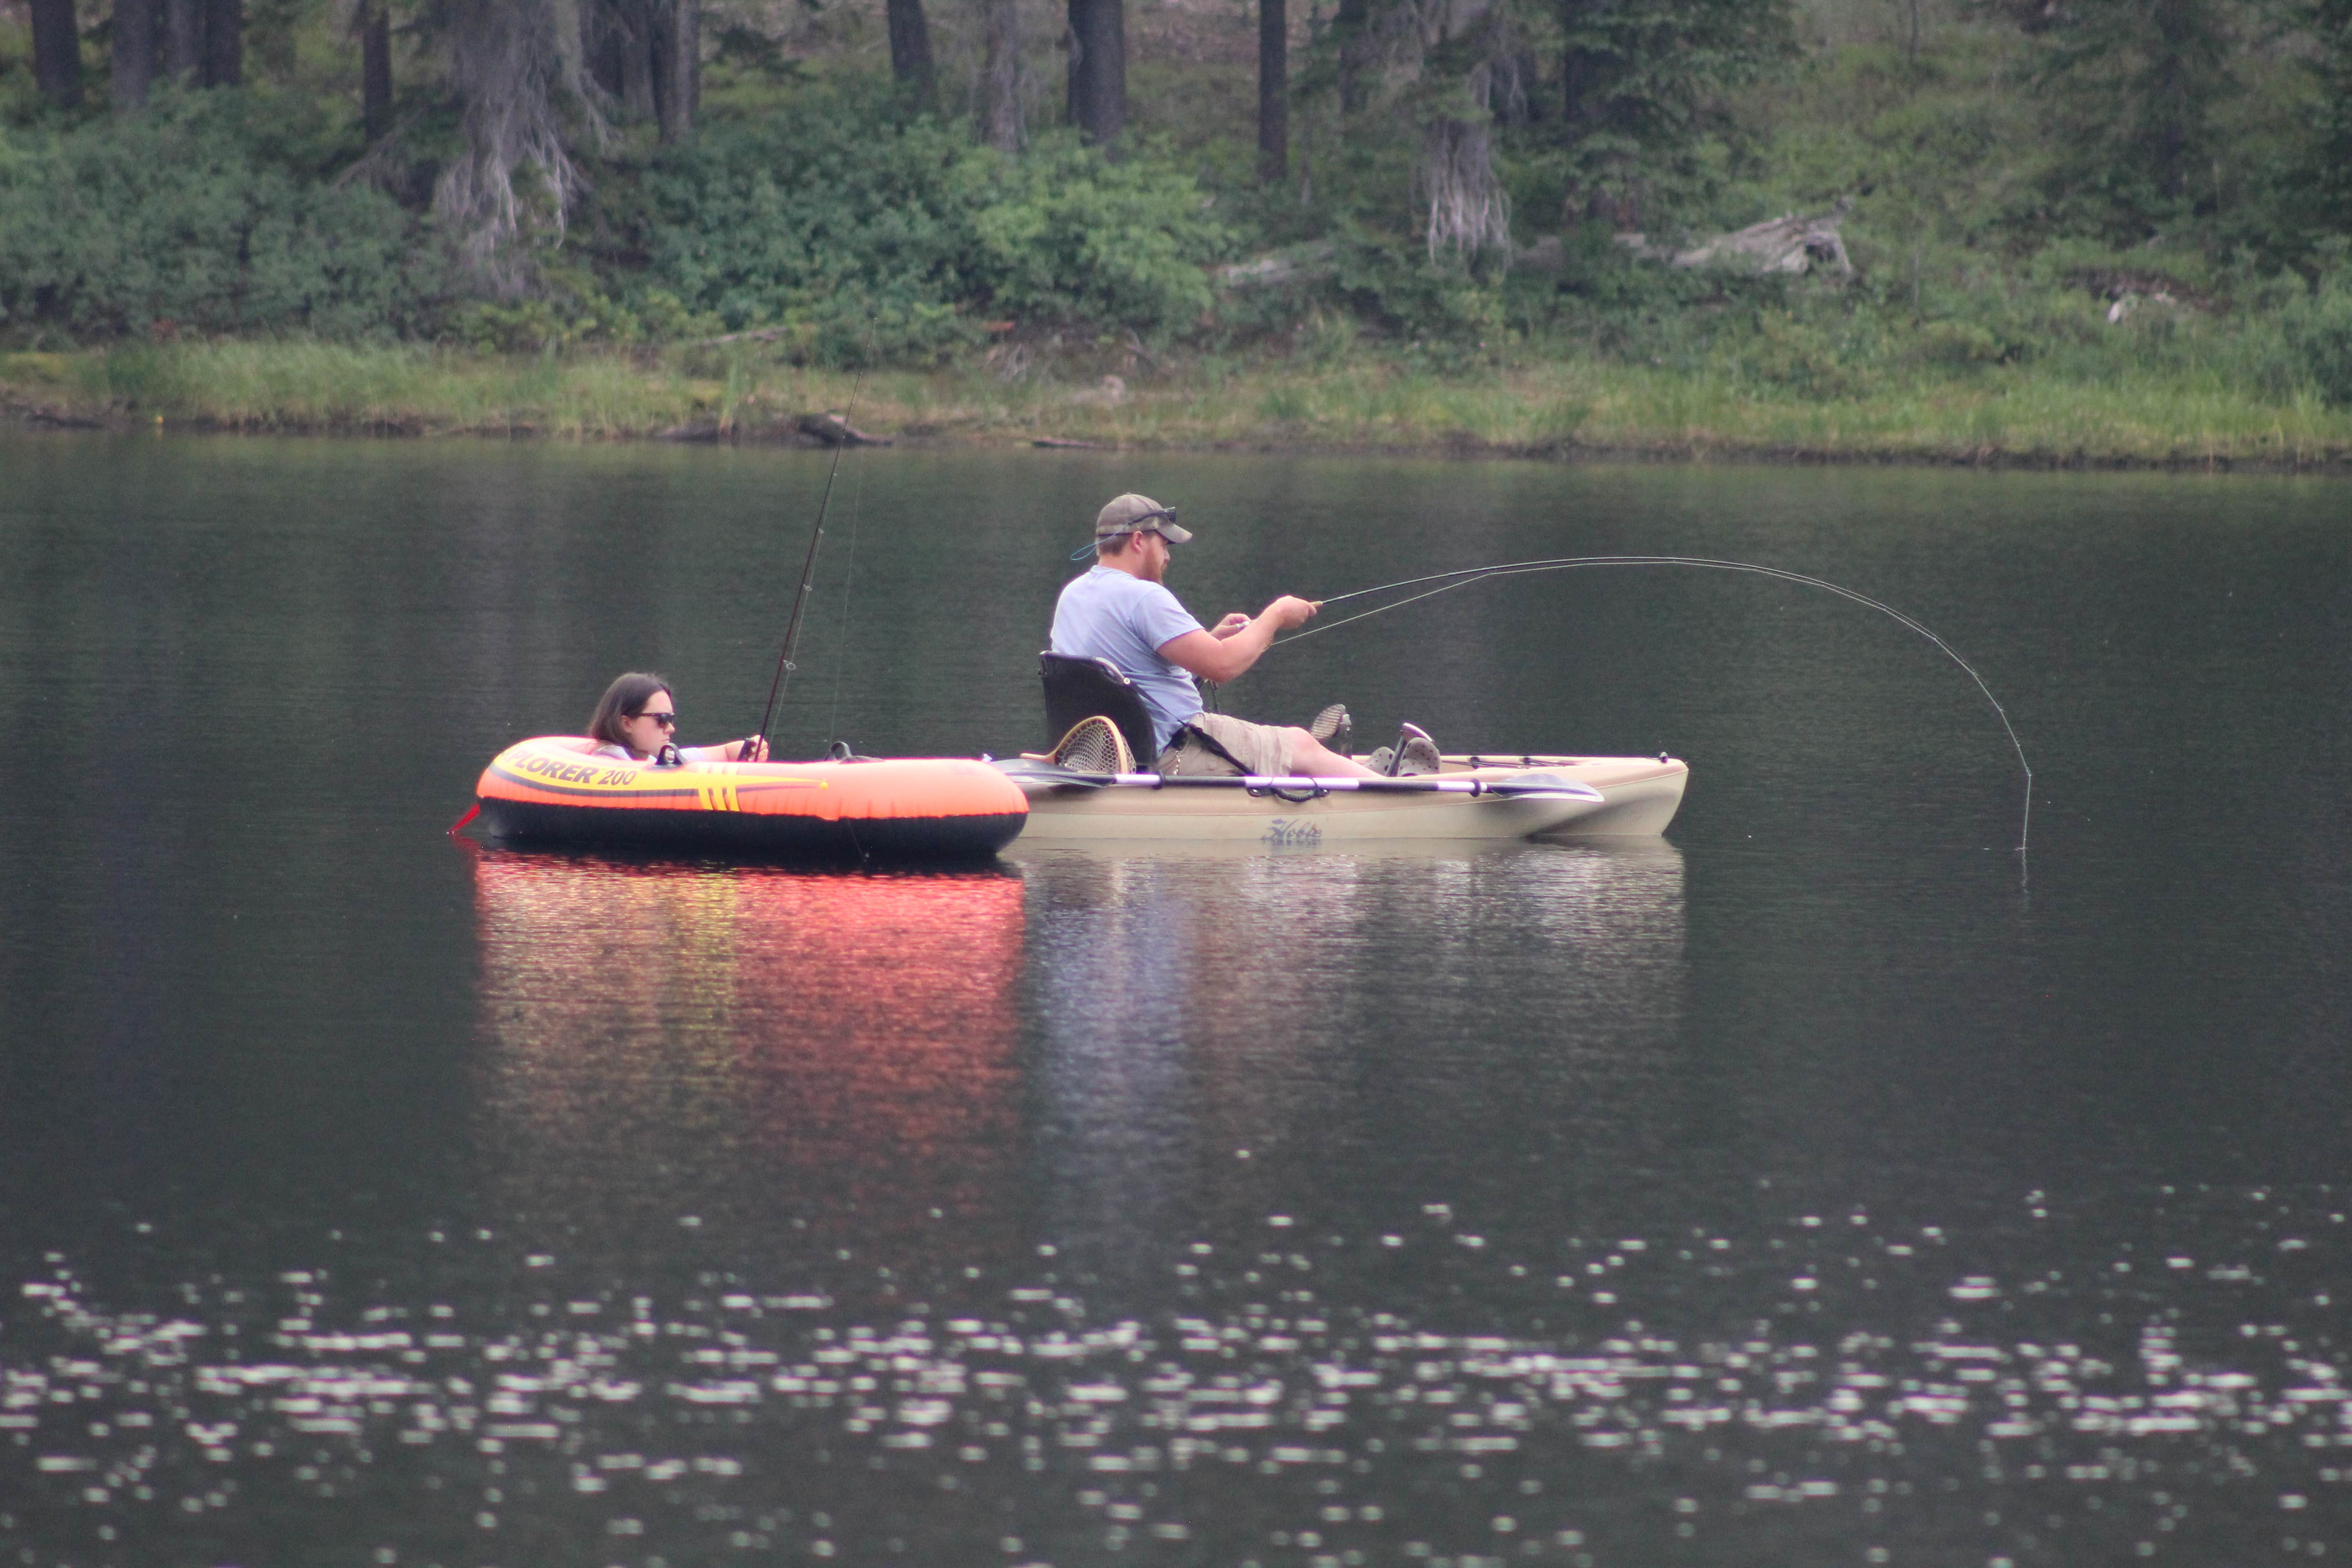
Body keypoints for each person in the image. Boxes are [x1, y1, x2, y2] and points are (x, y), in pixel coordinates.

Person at [1048, 494, 1438, 779]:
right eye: (1164, 544)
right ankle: (1395, 792)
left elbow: (1131, 671)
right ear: (1138, 541)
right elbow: (1223, 666)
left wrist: (1211, 638)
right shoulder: (1145, 596)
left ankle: (1361, 774)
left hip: (1103, 753)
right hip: (1172, 751)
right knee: (1300, 744)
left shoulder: (1074, 595)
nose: (1168, 556)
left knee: (1294, 750)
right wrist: (1276, 616)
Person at [585, 672, 769, 765]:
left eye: (671, 719)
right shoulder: (609, 761)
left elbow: (727, 753)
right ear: (627, 723)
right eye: (662, 719)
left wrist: (750, 749)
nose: (671, 728)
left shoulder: (653, 758)